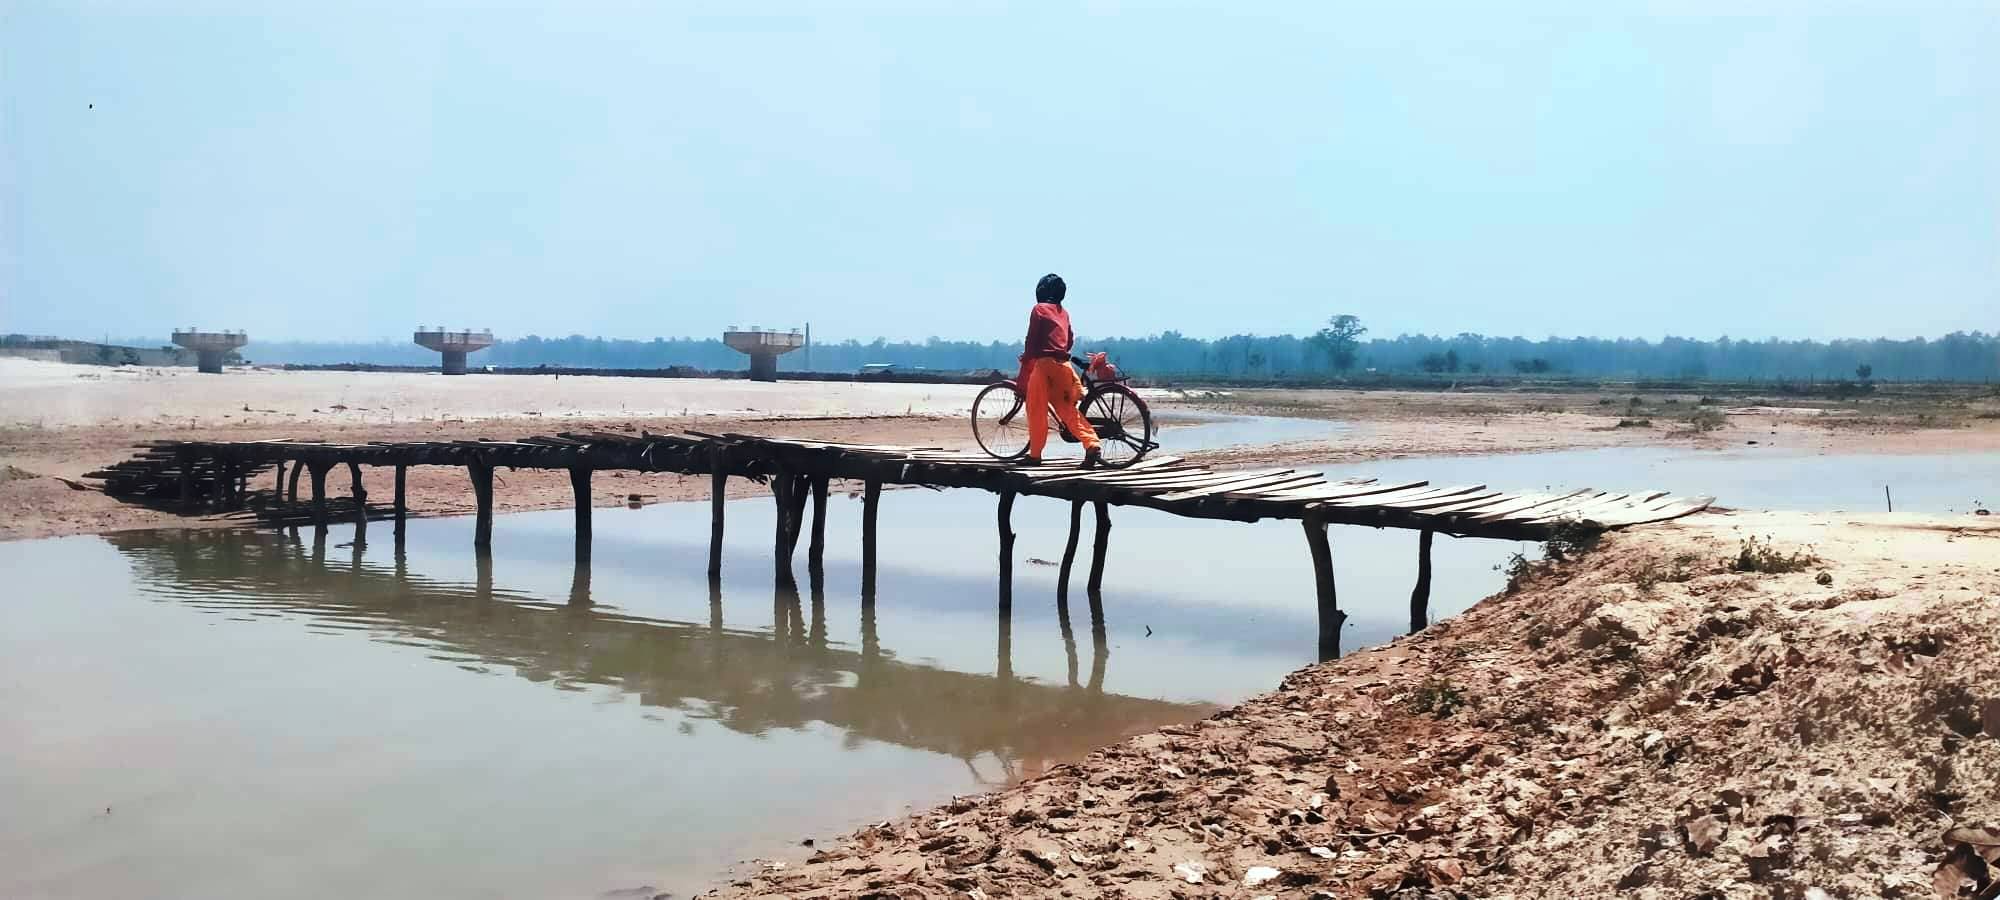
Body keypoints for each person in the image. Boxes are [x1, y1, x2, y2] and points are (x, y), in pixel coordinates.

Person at [1017, 273, 1102, 467]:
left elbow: (1032, 339)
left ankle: (1035, 455)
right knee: (1067, 409)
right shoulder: (1064, 312)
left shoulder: (1039, 309)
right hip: (1063, 366)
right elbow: (1069, 340)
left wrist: (1027, 358)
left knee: (1036, 409)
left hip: (1044, 365)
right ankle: (1091, 444)